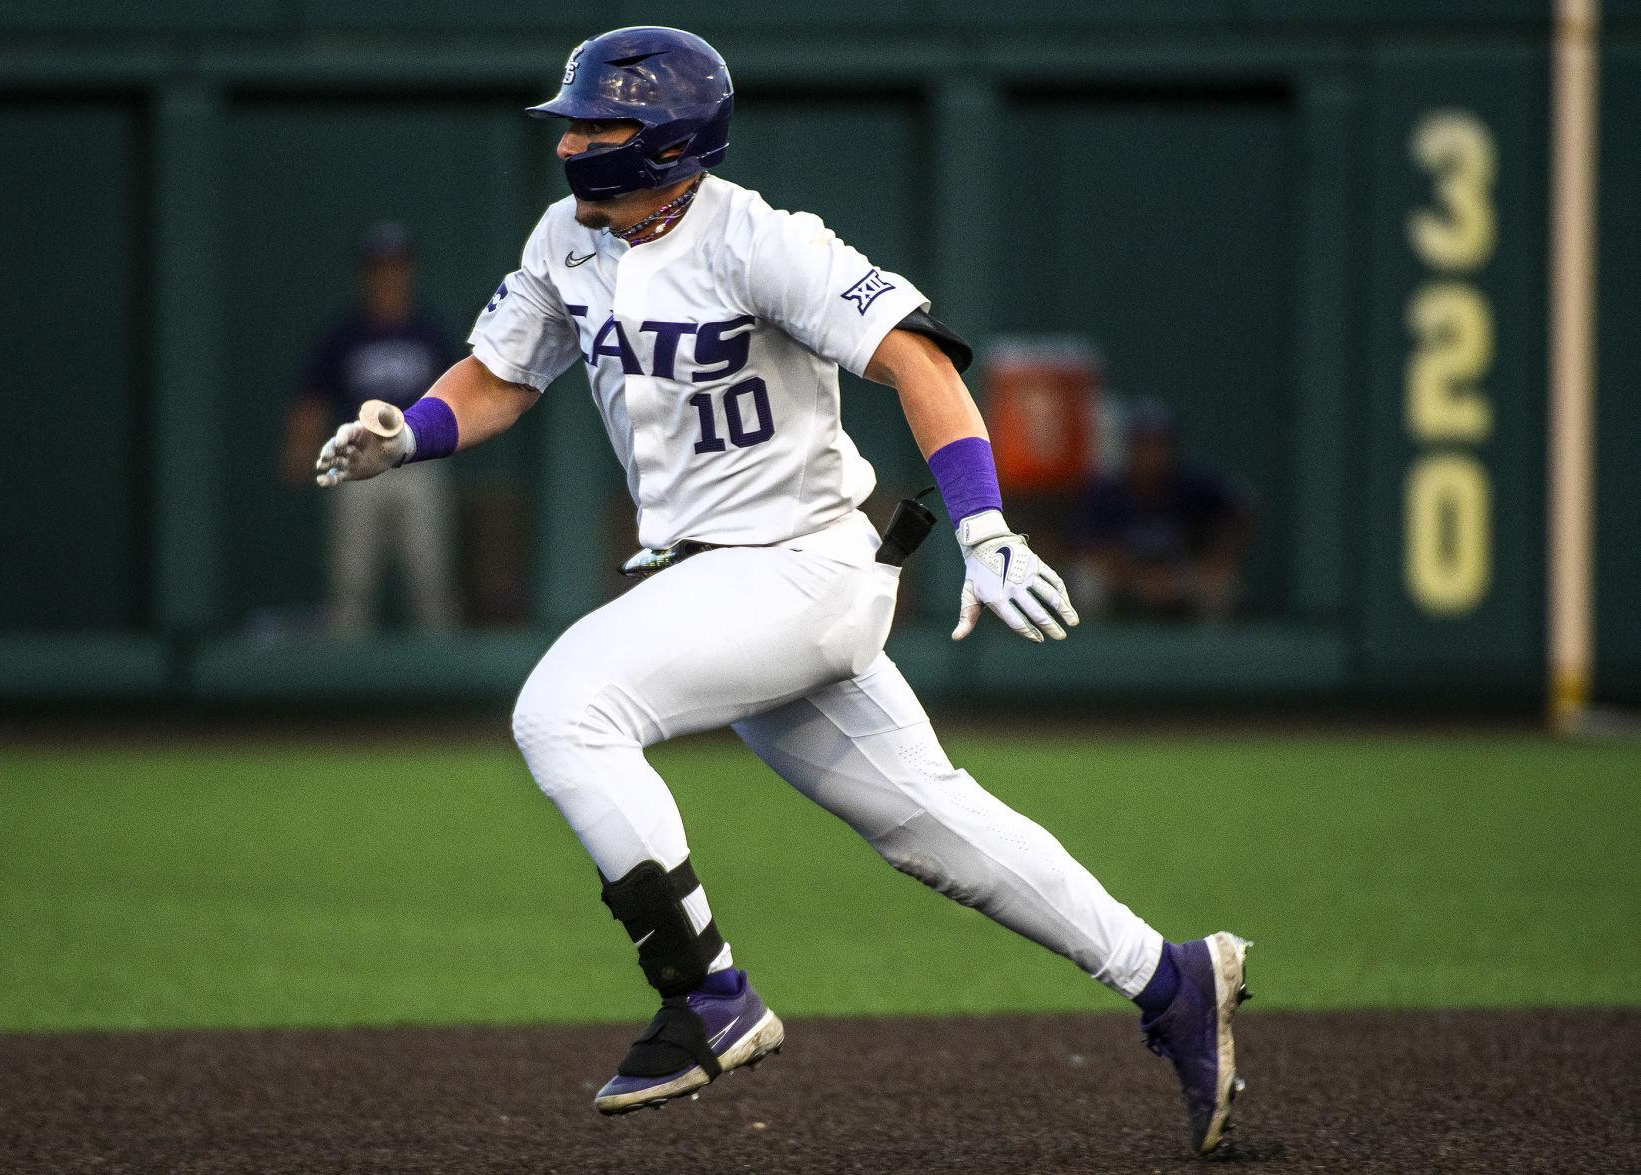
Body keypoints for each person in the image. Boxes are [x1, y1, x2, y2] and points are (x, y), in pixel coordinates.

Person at [314, 28, 1251, 1156]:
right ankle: (1172, 979)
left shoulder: (760, 239)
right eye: (568, 123)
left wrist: (986, 523)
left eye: (592, 125)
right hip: (722, 584)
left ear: (662, 140)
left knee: (565, 708)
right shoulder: (568, 235)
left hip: (802, 564)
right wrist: (405, 433)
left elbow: (921, 363)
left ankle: (706, 992)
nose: (566, 142)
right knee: (934, 827)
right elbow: (502, 377)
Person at [282, 222, 462, 634]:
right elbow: (312, 398)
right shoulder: (344, 335)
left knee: (430, 577)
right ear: (365, 274)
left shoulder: (429, 332)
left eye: (395, 266)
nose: (387, 276)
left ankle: (441, 678)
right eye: (378, 267)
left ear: (409, 271)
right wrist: (298, 447)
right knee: (350, 583)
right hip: (359, 463)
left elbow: (460, 397)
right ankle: (344, 684)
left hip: (418, 462)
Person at [1071, 400, 1253, 622]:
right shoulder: (1109, 489)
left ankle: (1209, 653)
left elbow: (1239, 513)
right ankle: (1097, 651)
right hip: (1127, 579)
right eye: (1143, 445)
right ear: (1130, 448)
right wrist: (1139, 578)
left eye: (1159, 445)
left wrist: (1215, 561)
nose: (1151, 454)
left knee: (1223, 585)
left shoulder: (1194, 485)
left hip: (1183, 576)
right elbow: (1091, 549)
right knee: (1087, 583)